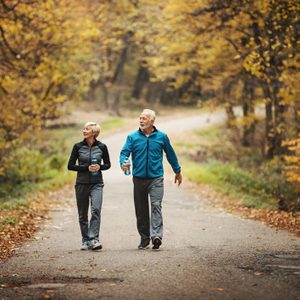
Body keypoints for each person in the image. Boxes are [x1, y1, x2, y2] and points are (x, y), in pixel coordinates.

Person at [120, 109, 182, 250]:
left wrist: (177, 171)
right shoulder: (132, 137)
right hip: (139, 178)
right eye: (140, 118)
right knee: (141, 210)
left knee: (156, 205)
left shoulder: (162, 137)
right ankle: (144, 238)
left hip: (156, 178)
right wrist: (123, 162)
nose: (141, 120)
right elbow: (124, 153)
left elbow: (170, 154)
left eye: (144, 118)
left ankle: (156, 236)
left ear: (152, 121)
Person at [68, 122, 111, 251]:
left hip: (97, 183)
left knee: (96, 210)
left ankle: (94, 239)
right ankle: (85, 240)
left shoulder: (102, 147)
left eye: (87, 129)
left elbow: (108, 164)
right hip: (81, 183)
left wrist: (100, 167)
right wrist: (85, 168)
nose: (84, 131)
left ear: (93, 132)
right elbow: (70, 166)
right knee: (82, 214)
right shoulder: (78, 147)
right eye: (84, 129)